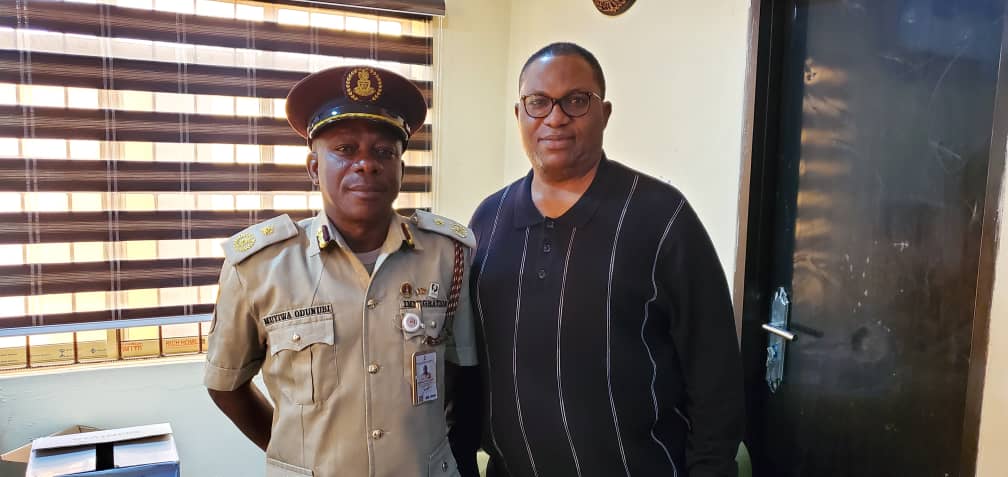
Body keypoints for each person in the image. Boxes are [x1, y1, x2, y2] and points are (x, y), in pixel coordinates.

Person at [462, 42, 744, 476]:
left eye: (576, 101)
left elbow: (714, 369)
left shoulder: (661, 216)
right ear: (519, 114)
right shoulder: (488, 220)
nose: (555, 117)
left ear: (605, 113)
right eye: (538, 102)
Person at [203, 65, 478, 477]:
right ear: (314, 167)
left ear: (401, 169)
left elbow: (458, 373)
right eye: (346, 150)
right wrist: (294, 453)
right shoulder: (259, 267)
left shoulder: (447, 254)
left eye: (384, 152)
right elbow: (226, 385)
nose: (366, 164)